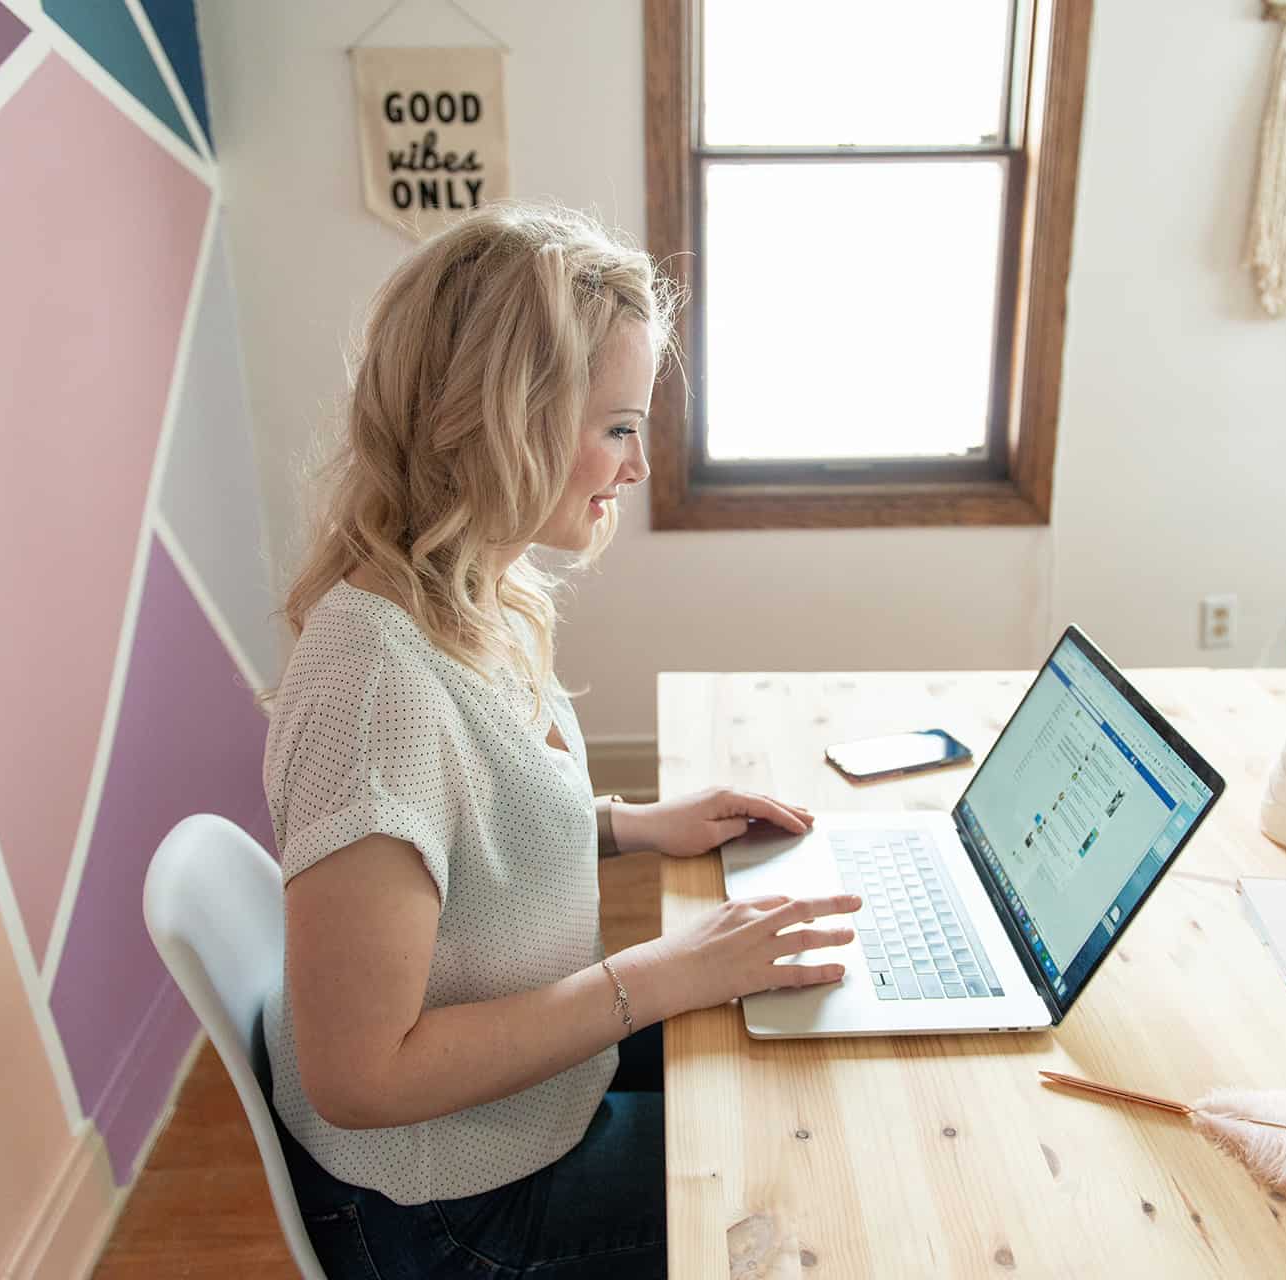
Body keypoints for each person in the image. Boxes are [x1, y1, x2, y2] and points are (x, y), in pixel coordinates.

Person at [251, 201, 861, 1279]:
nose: (634, 465)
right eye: (618, 427)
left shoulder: (467, 587)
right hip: (455, 1207)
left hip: (520, 1108)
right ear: (506, 421)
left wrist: (625, 825)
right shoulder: (372, 687)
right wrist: (659, 971)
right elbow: (362, 1075)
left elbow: (468, 826)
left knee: (797, 1041)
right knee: (820, 1175)